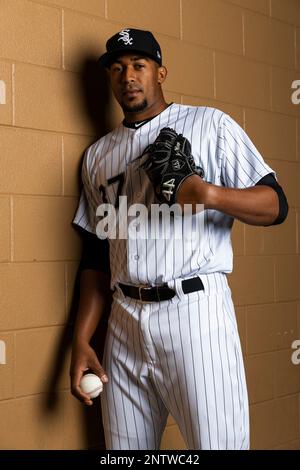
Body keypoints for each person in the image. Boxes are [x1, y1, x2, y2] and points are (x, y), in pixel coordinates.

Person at [70, 28, 288, 450]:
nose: (127, 76)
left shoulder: (210, 124)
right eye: (117, 68)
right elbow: (96, 254)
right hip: (123, 320)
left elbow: (275, 205)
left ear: (160, 72)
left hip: (194, 313)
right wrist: (81, 340)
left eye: (138, 65)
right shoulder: (97, 156)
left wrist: (207, 193)